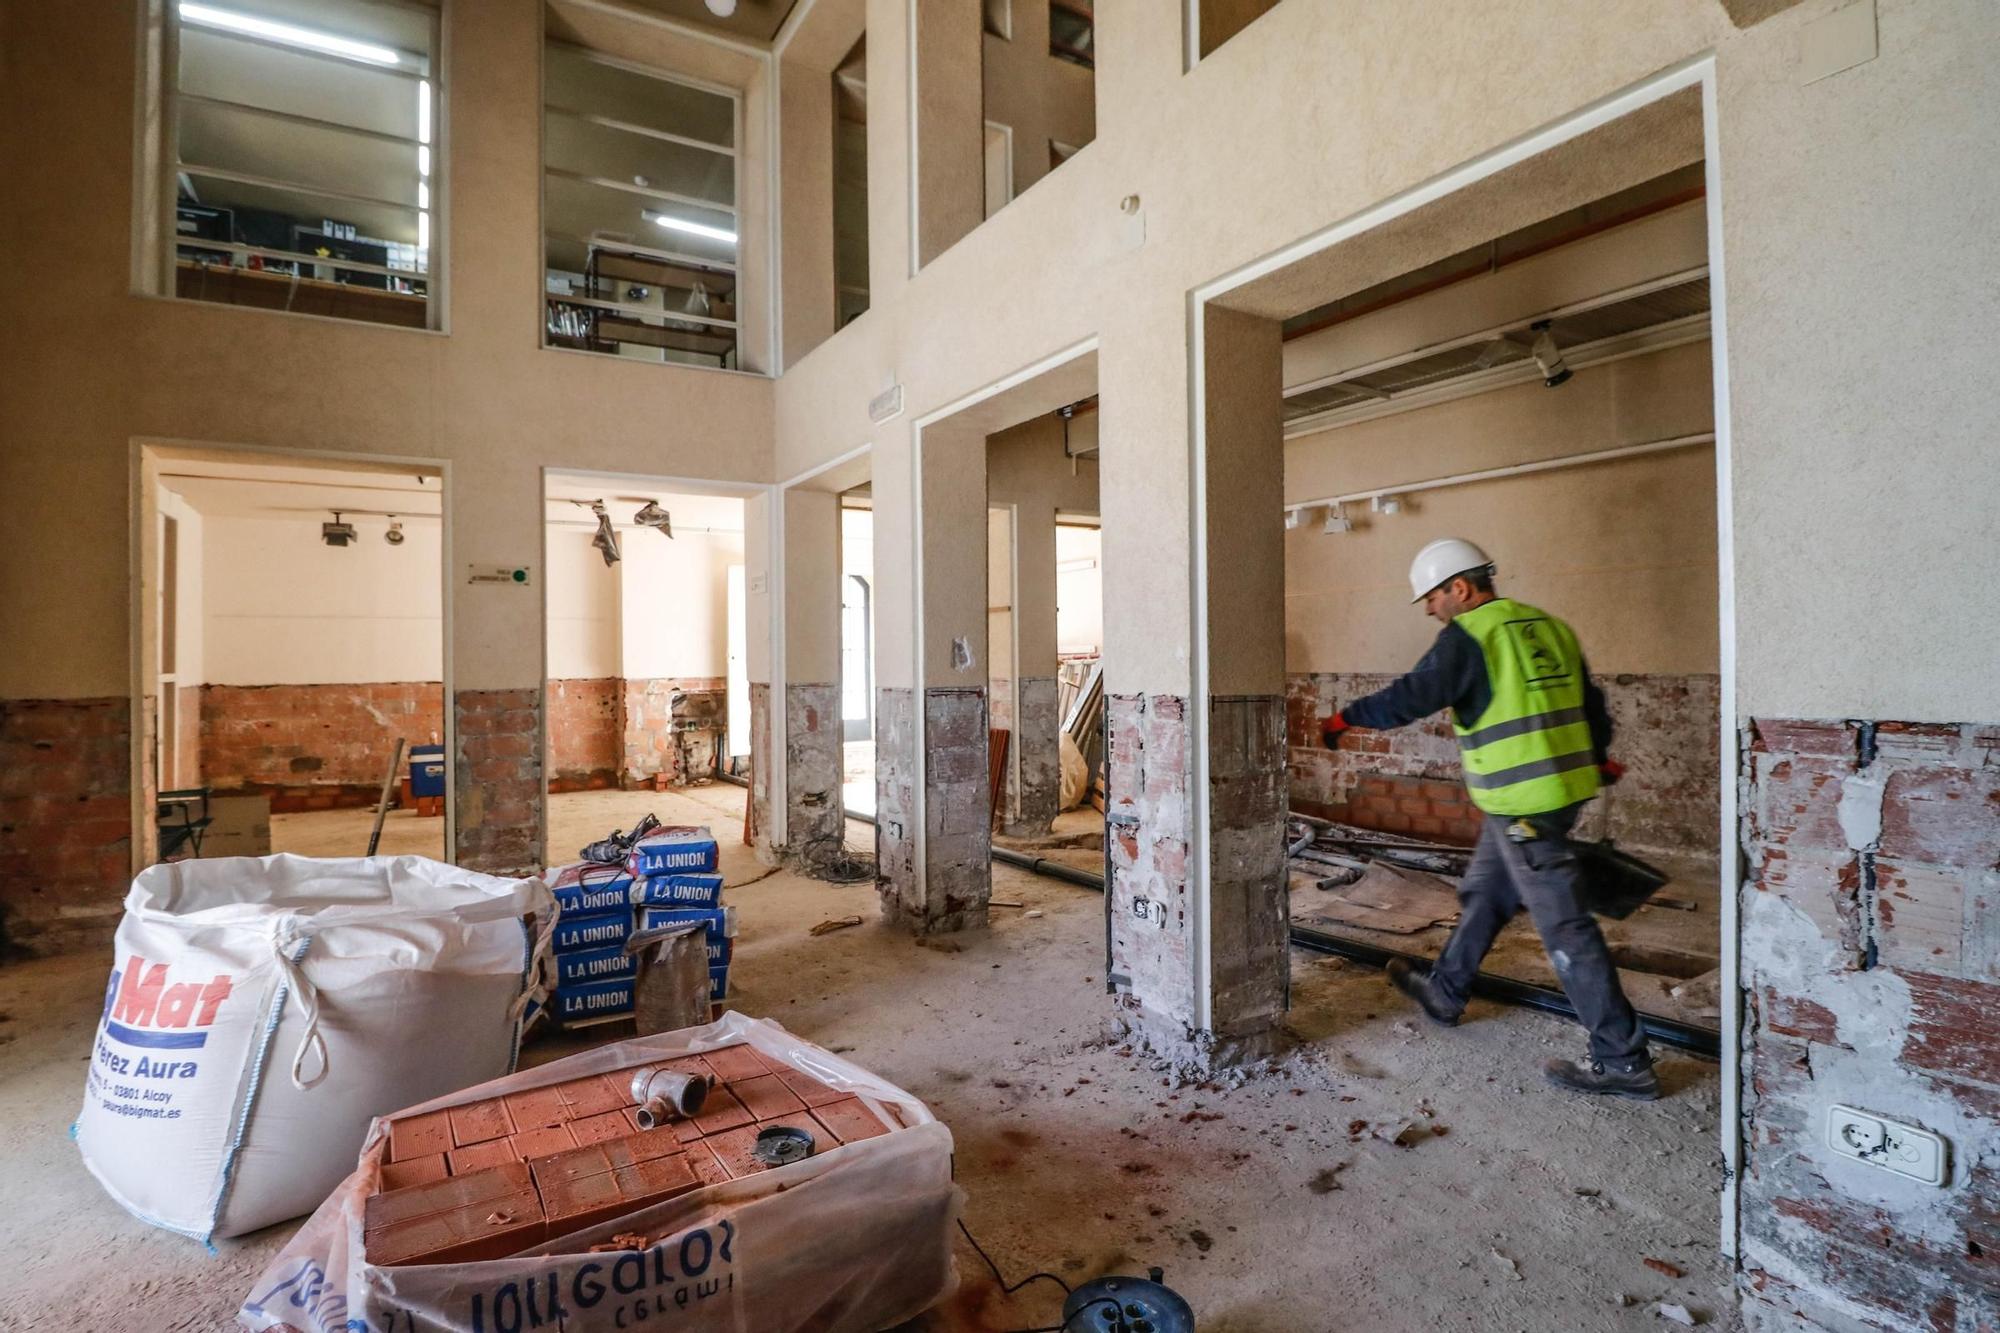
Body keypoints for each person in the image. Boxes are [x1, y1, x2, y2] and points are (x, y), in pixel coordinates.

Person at [1322, 537, 1657, 1099]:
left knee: (1566, 926)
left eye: (1431, 597)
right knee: (1487, 890)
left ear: (1459, 587)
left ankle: (1624, 1061)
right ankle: (1446, 991)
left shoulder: (1470, 635)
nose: (1430, 609)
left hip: (1524, 800)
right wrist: (1597, 756)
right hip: (1554, 793)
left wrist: (1344, 717)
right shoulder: (1546, 626)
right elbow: (1590, 705)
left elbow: (1413, 694)